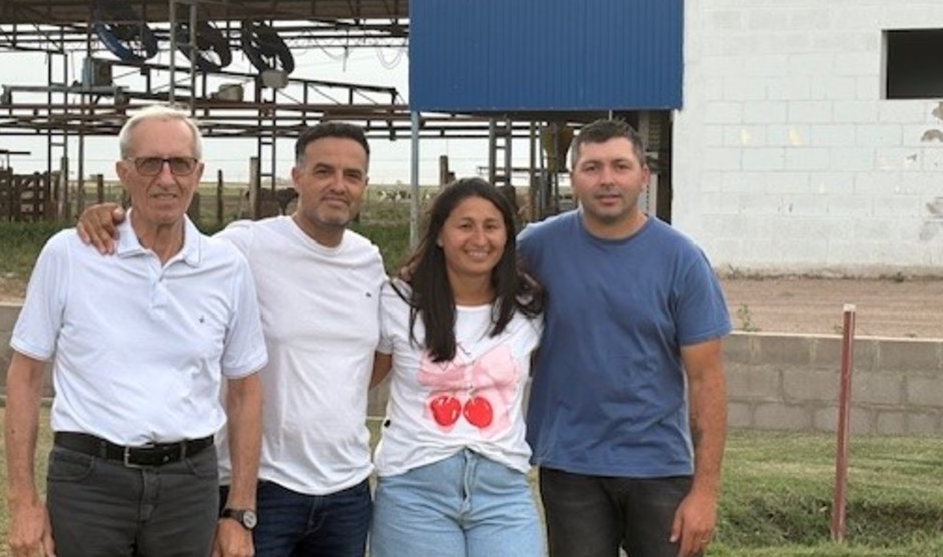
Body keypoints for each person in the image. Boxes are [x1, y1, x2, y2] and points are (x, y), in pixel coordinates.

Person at [77, 121, 386, 557]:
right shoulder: (246, 245)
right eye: (323, 171)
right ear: (297, 178)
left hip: (348, 490)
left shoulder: (368, 260)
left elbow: (376, 357)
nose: (338, 185)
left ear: (364, 185)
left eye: (351, 175)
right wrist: (111, 218)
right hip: (264, 486)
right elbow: (170, 244)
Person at [4, 105, 267, 557]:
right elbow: (24, 377)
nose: (166, 179)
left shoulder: (227, 268)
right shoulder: (69, 255)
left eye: (179, 163)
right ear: (124, 172)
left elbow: (245, 391)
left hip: (188, 486)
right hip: (89, 482)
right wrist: (22, 502)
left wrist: (239, 511)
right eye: (149, 164)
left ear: (198, 173)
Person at [518, 118, 730, 557]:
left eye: (620, 166)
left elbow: (706, 379)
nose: (607, 180)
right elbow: (466, 265)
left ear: (643, 176)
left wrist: (705, 492)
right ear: (573, 177)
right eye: (592, 167)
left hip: (659, 467)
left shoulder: (682, 260)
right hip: (570, 466)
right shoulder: (536, 248)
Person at [370, 177, 545, 557]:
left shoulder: (528, 309)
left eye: (491, 226)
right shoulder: (398, 302)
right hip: (415, 489)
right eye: (465, 225)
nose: (479, 239)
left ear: (507, 236)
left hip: (502, 491)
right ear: (439, 235)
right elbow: (362, 377)